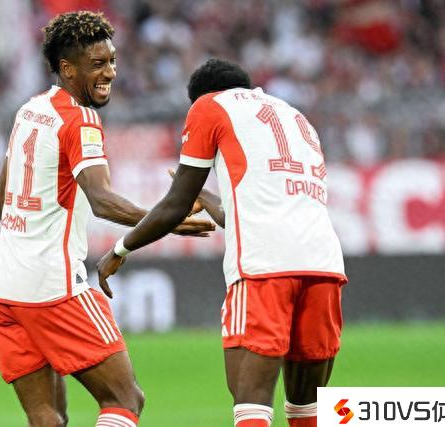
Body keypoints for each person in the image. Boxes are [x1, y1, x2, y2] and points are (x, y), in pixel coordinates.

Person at [0, 11, 214, 427]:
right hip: (53, 287)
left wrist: (28, 241)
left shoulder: (30, 111)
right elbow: (102, 200)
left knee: (47, 416)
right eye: (97, 64)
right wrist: (166, 218)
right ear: (67, 68)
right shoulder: (81, 118)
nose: (110, 72)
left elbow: (1, 199)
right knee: (125, 398)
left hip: (1, 288)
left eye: (112, 60)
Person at [98, 58, 347, 427]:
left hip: (263, 268)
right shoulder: (295, 116)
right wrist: (208, 197)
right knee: (306, 408)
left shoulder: (208, 106)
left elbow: (175, 204)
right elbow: (251, 208)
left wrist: (120, 249)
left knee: (252, 403)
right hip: (324, 265)